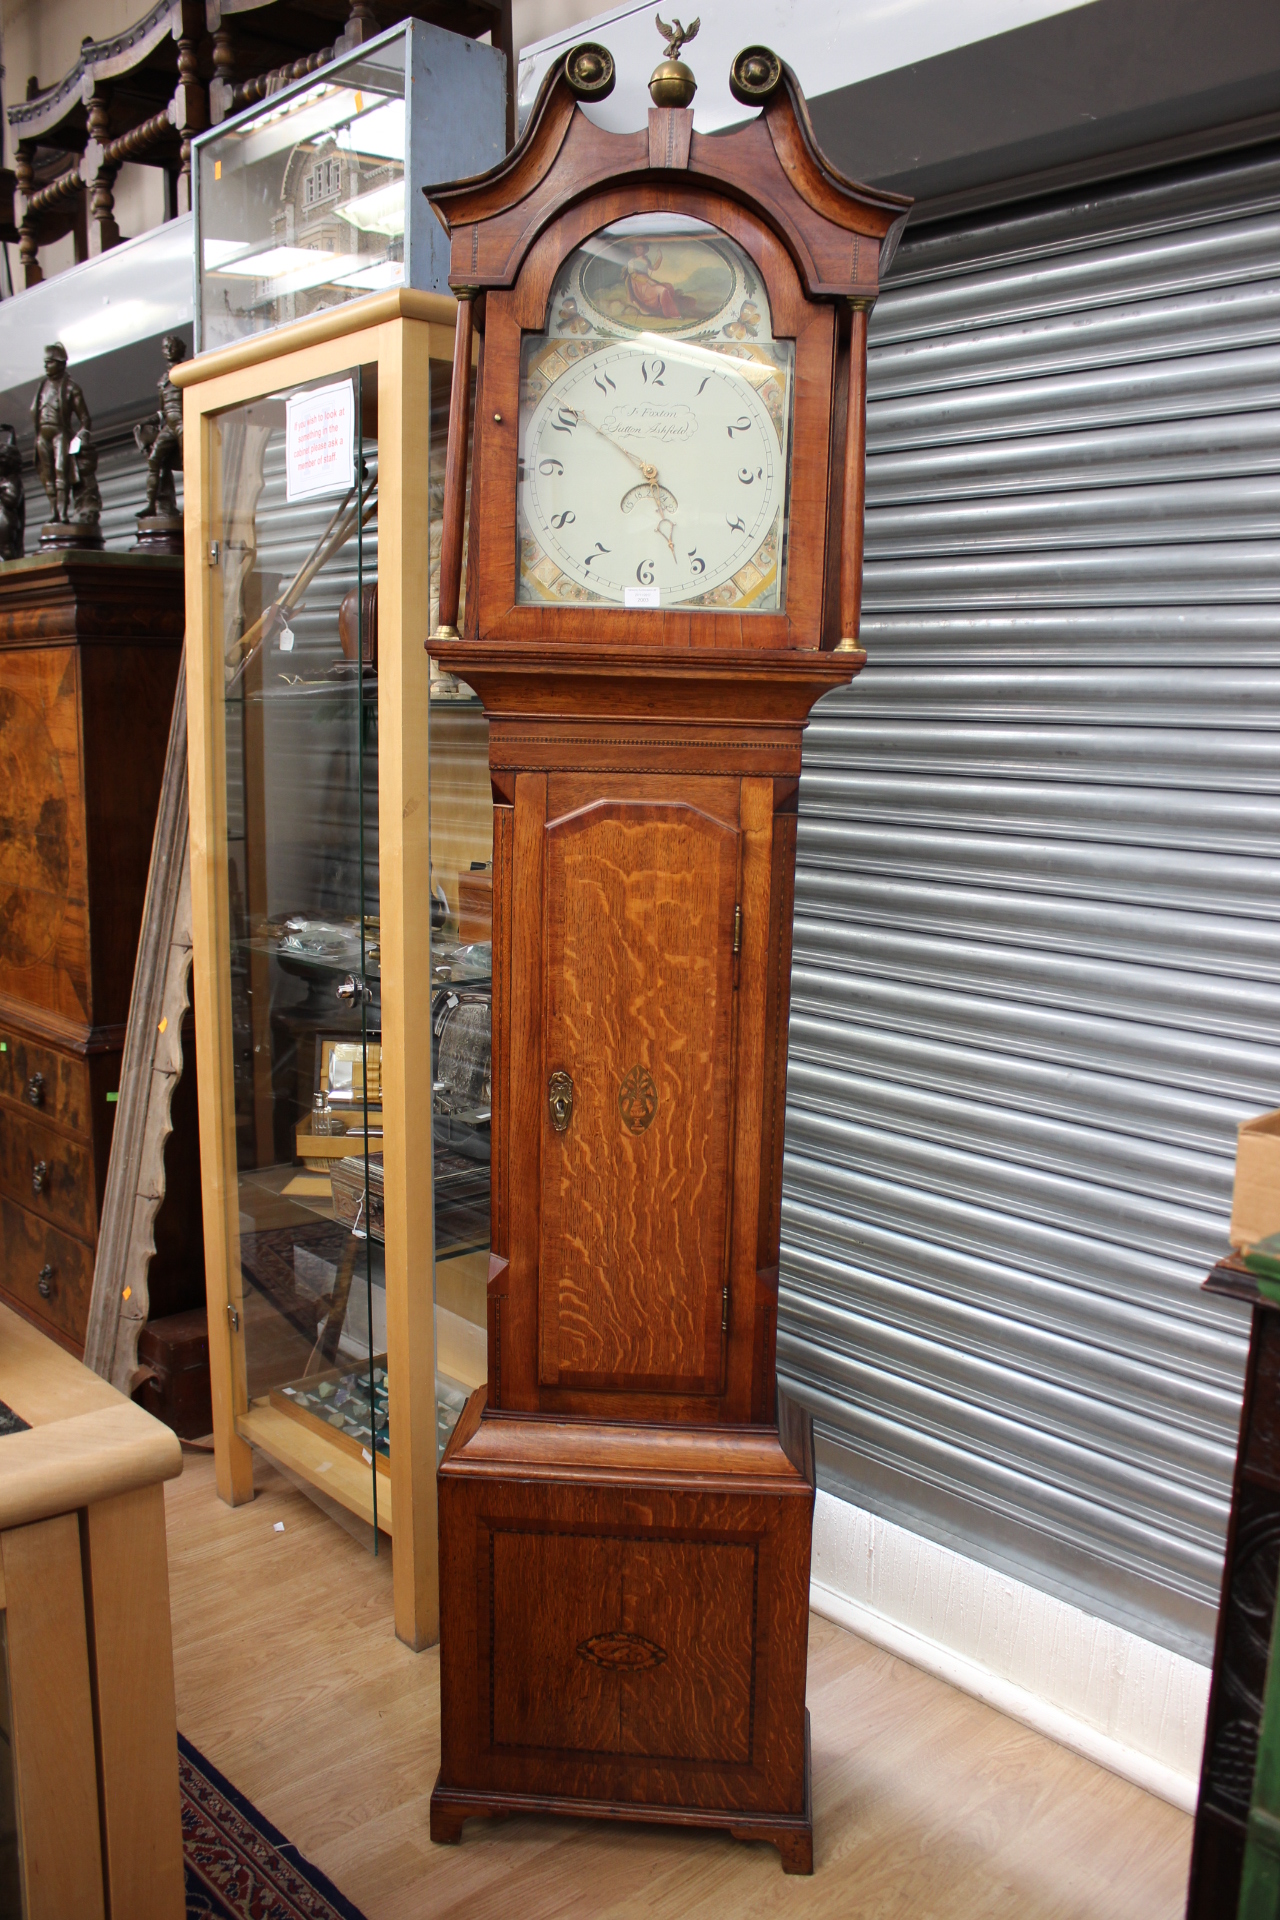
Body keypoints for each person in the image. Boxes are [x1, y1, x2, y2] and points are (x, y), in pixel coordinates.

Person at [31, 342, 90, 523]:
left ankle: (63, 513)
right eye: (45, 362)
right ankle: (54, 513)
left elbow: (85, 419)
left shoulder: (72, 388)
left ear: (60, 362)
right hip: (42, 435)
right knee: (47, 475)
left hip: (60, 434)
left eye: (49, 362)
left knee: (60, 472)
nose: (46, 365)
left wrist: (82, 434)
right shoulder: (42, 386)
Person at [135, 333, 187, 519]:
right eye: (165, 347)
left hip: (183, 423)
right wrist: (146, 423)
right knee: (154, 460)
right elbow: (161, 411)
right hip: (170, 425)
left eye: (171, 346)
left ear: (180, 349)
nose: (168, 350)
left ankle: (194, 505)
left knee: (190, 463)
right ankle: (151, 504)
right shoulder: (162, 380)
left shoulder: (187, 372)